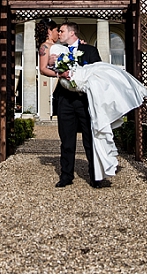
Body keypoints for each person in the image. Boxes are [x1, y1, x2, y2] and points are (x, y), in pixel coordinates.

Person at [52, 21, 101, 188]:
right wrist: (56, 67)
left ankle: (95, 176)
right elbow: (51, 69)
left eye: (62, 31)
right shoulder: (59, 51)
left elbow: (97, 72)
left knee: (89, 139)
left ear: (72, 33)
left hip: (84, 100)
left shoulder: (90, 50)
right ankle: (66, 176)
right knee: (66, 140)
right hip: (65, 100)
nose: (59, 34)